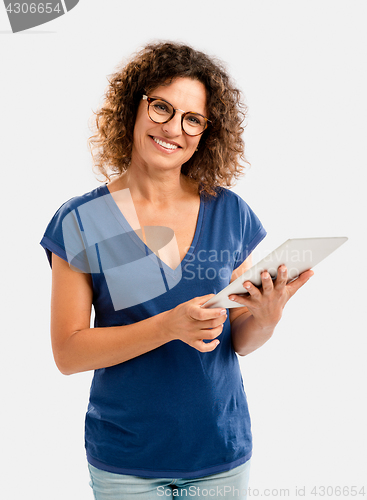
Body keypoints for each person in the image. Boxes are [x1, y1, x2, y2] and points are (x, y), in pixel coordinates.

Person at [40, 41, 313, 499]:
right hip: (128, 462)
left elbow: (238, 339)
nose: (174, 129)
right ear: (134, 107)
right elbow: (68, 353)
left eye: (192, 119)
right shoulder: (81, 220)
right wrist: (169, 325)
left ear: (207, 131)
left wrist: (266, 318)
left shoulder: (229, 211)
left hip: (221, 455)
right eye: (162, 107)